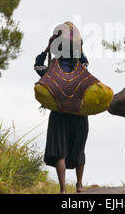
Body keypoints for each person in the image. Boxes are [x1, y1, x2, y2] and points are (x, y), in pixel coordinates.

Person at [34, 23, 89, 194]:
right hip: (79, 113)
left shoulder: (51, 72)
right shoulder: (81, 69)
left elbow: (37, 65)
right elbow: (85, 60)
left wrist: (47, 48)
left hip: (59, 114)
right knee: (79, 150)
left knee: (60, 152)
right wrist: (78, 46)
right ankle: (79, 186)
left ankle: (63, 189)